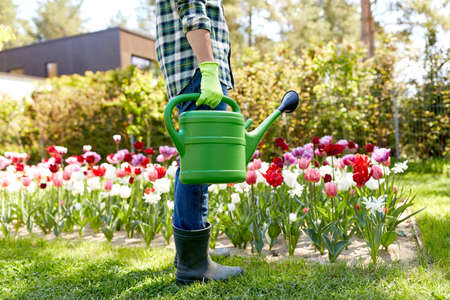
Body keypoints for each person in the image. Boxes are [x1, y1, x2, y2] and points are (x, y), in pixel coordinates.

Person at [155, 0, 244, 285]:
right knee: (198, 167)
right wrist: (208, 70)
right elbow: (193, 13)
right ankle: (194, 268)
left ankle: (191, 257)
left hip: (190, 74)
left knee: (193, 164)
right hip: (197, 73)